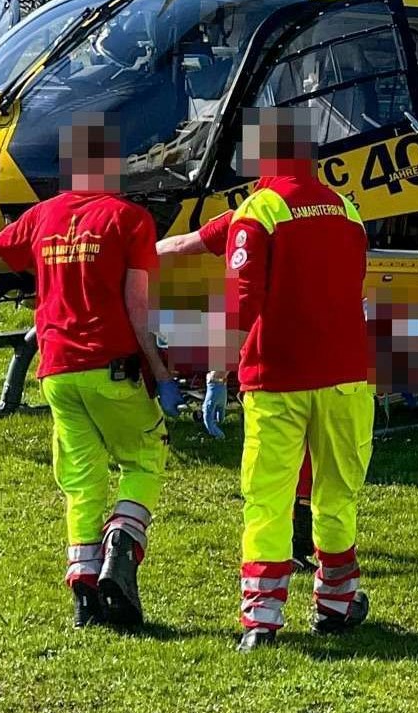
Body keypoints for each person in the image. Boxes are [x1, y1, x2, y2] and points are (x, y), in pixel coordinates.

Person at [0, 115, 179, 630]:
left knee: (80, 482)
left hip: (57, 373)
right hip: (112, 368)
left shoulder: (43, 218)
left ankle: (84, 593)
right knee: (145, 457)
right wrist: (162, 374)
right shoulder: (129, 220)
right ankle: (122, 546)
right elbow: (139, 311)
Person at [221, 108, 373, 651]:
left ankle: (261, 618)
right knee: (337, 494)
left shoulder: (258, 211)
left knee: (268, 497)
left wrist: (217, 370)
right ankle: (335, 602)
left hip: (276, 377)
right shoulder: (348, 209)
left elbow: (241, 302)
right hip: (346, 375)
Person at [156, 203, 319, 572]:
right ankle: (301, 542)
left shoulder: (248, 215)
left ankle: (290, 543)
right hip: (314, 358)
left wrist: (217, 378)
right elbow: (187, 245)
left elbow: (185, 246)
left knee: (278, 460)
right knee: (305, 457)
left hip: (269, 359)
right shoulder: (323, 215)